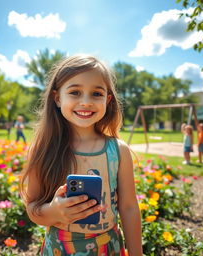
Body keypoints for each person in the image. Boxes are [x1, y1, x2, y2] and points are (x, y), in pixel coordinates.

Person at [20, 55, 143, 255]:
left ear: (108, 99)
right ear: (57, 98)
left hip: (108, 248)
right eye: (75, 92)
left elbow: (129, 207)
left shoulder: (119, 151)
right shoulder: (42, 149)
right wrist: (53, 212)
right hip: (60, 249)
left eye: (96, 93)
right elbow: (33, 209)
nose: (86, 102)